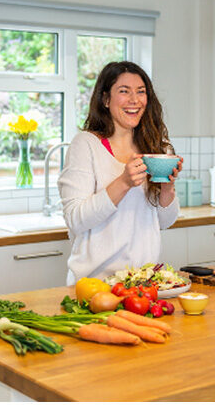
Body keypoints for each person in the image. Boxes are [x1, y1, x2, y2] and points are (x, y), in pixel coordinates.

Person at [58, 61, 183, 284]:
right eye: (124, 91)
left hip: (143, 282)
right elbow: (76, 219)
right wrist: (124, 182)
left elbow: (164, 222)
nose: (134, 100)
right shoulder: (86, 145)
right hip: (95, 284)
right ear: (106, 100)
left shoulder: (158, 149)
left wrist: (167, 188)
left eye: (141, 92)